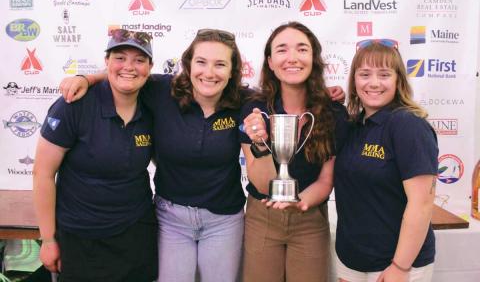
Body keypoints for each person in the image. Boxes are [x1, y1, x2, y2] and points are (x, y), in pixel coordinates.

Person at [58, 28, 345, 282]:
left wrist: (327, 93)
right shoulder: (162, 90)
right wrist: (88, 77)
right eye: (201, 62)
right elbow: (128, 74)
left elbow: (287, 90)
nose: (209, 73)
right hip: (171, 217)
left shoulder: (246, 101)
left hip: (224, 219)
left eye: (220, 64)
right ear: (188, 65)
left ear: (233, 71)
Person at [33, 29, 157, 281]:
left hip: (136, 233)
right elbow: (42, 173)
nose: (129, 67)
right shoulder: (74, 105)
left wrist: (90, 77)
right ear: (106, 62)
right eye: (119, 58)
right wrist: (47, 239)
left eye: (139, 60)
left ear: (150, 67)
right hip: (81, 236)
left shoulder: (155, 101)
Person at [240, 21, 349, 282]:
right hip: (262, 216)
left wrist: (302, 202)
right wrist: (259, 144)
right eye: (281, 50)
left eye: (302, 49)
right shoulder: (253, 109)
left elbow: (326, 179)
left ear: (313, 58)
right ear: (270, 61)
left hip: (310, 218)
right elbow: (260, 182)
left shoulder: (334, 113)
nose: (292, 58)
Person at [334, 39, 438, 282]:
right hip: (352, 261)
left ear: (398, 80)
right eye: (365, 74)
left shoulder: (407, 125)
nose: (373, 83)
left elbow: (422, 204)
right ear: (354, 81)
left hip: (395, 264)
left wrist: (401, 267)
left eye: (384, 74)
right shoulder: (354, 126)